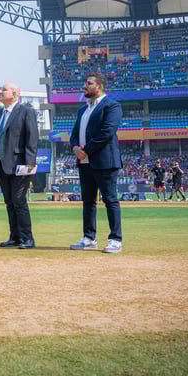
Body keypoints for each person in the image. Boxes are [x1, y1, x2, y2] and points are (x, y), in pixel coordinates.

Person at [68, 72, 124, 254]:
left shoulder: (112, 106)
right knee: (88, 202)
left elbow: (107, 132)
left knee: (110, 200)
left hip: (104, 161)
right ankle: (89, 238)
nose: (85, 86)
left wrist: (86, 150)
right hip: (84, 162)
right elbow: (74, 134)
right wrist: (75, 148)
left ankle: (115, 240)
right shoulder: (82, 110)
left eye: (89, 83)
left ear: (99, 86)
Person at [0, 81, 39, 249]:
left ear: (15, 93)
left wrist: (30, 163)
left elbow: (32, 138)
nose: (0, 92)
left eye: (4, 90)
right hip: (1, 163)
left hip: (20, 164)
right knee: (9, 202)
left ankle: (27, 238)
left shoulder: (26, 111)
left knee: (19, 201)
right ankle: (15, 236)